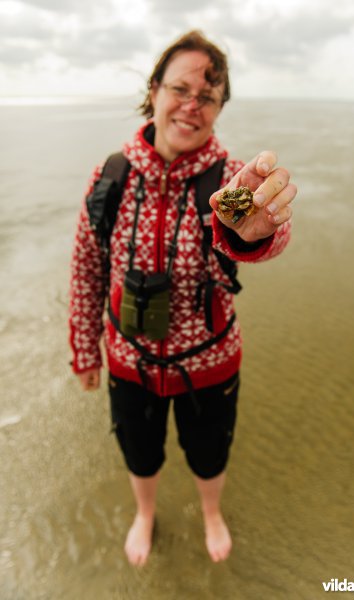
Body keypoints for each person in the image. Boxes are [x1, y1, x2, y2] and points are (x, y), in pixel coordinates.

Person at [69, 30, 297, 566]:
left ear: (220, 108)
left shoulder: (231, 179)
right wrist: (84, 350)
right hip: (129, 360)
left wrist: (254, 230)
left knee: (209, 452)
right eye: (180, 89)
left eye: (208, 96)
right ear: (154, 90)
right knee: (139, 453)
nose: (192, 106)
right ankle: (145, 514)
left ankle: (211, 513)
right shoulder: (111, 176)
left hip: (212, 362)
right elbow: (86, 268)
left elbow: (262, 236)